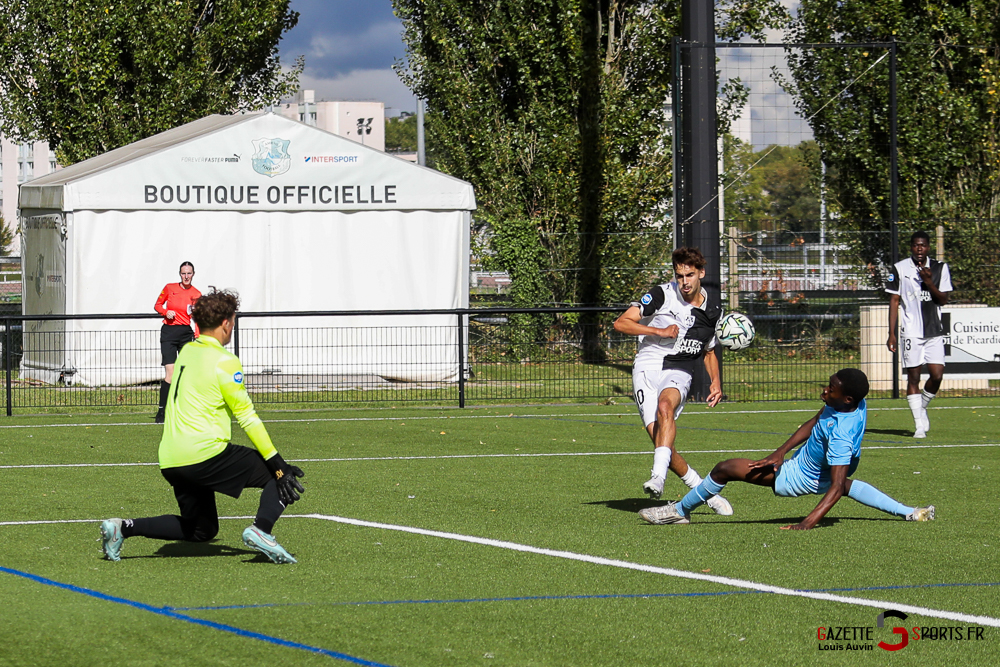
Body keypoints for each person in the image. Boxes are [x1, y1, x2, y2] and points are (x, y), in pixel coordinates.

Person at [100, 288, 305, 564]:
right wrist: (279, 464)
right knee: (276, 474)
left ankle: (122, 528)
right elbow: (247, 417)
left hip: (171, 459)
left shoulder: (186, 351)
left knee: (202, 529)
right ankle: (262, 530)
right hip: (204, 455)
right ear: (226, 323)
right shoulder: (225, 361)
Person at [637, 368, 935, 528]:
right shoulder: (853, 403)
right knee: (843, 484)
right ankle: (909, 513)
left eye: (830, 389)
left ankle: (678, 511)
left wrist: (807, 522)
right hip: (811, 464)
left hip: (798, 476)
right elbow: (814, 421)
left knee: (724, 469)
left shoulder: (842, 434)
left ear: (845, 399)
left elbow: (838, 484)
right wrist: (779, 452)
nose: (824, 390)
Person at [613, 247, 732, 516]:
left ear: (701, 273)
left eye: (690, 275)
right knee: (660, 441)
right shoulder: (661, 295)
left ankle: (657, 478)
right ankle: (705, 492)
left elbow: (709, 351)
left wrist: (716, 382)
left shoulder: (713, 310)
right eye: (679, 276)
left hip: (680, 366)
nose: (684, 282)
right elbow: (621, 323)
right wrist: (659, 330)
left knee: (666, 407)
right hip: (648, 363)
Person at [886, 231, 952, 438]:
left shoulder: (940, 268)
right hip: (910, 331)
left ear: (928, 247)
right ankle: (918, 426)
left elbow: (943, 300)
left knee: (937, 375)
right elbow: (894, 301)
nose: (919, 249)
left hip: (934, 330)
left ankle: (922, 406)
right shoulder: (899, 268)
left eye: (923, 245)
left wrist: (929, 282)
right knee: (913, 377)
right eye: (916, 245)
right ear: (911, 247)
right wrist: (892, 333)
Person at [153, 261, 202, 424]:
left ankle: (186, 410)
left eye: (189, 273)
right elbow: (157, 305)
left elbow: (197, 317)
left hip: (185, 334)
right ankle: (162, 411)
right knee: (171, 373)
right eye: (183, 273)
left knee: (187, 373)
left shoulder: (196, 294)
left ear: (193, 274)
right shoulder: (169, 288)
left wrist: (198, 334)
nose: (186, 276)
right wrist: (166, 312)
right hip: (169, 333)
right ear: (179, 274)